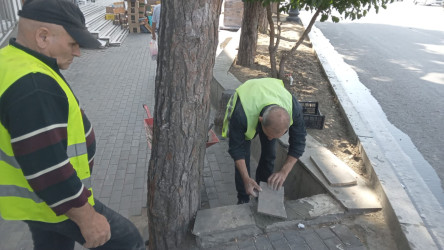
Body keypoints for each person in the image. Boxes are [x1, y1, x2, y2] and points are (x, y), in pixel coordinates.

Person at [0, 0, 144, 249]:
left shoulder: (10, 61)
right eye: (73, 43)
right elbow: (47, 166)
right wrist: (86, 217)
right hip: (54, 203)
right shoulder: (33, 85)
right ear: (43, 37)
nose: (78, 52)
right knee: (126, 240)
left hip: (38, 202)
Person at [222, 78, 307, 204]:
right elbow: (236, 150)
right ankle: (243, 198)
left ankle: (262, 192)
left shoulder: (293, 108)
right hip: (249, 105)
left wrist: (284, 172)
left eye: (275, 136)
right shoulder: (241, 114)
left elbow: (299, 143)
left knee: (270, 153)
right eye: (269, 134)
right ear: (260, 121)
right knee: (243, 160)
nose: (270, 138)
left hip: (268, 102)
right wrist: (246, 178)